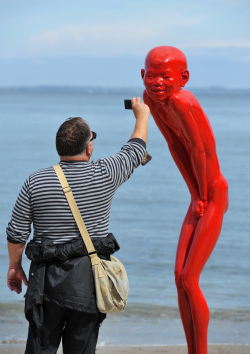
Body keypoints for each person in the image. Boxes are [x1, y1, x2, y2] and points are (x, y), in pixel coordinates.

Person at [6, 97, 150, 354]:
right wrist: (142, 116)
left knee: (40, 348)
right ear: (89, 147)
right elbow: (135, 149)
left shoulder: (35, 181)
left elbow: (17, 232)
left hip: (45, 281)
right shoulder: (105, 173)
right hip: (87, 280)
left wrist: (14, 268)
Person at [141, 46, 228, 354]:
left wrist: (203, 195)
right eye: (152, 76)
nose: (157, 83)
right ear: (143, 76)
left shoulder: (181, 100)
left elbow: (201, 151)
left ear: (184, 78)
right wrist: (193, 193)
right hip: (198, 195)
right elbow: (175, 145)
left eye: (165, 76)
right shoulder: (151, 99)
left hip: (213, 194)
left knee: (190, 279)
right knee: (178, 278)